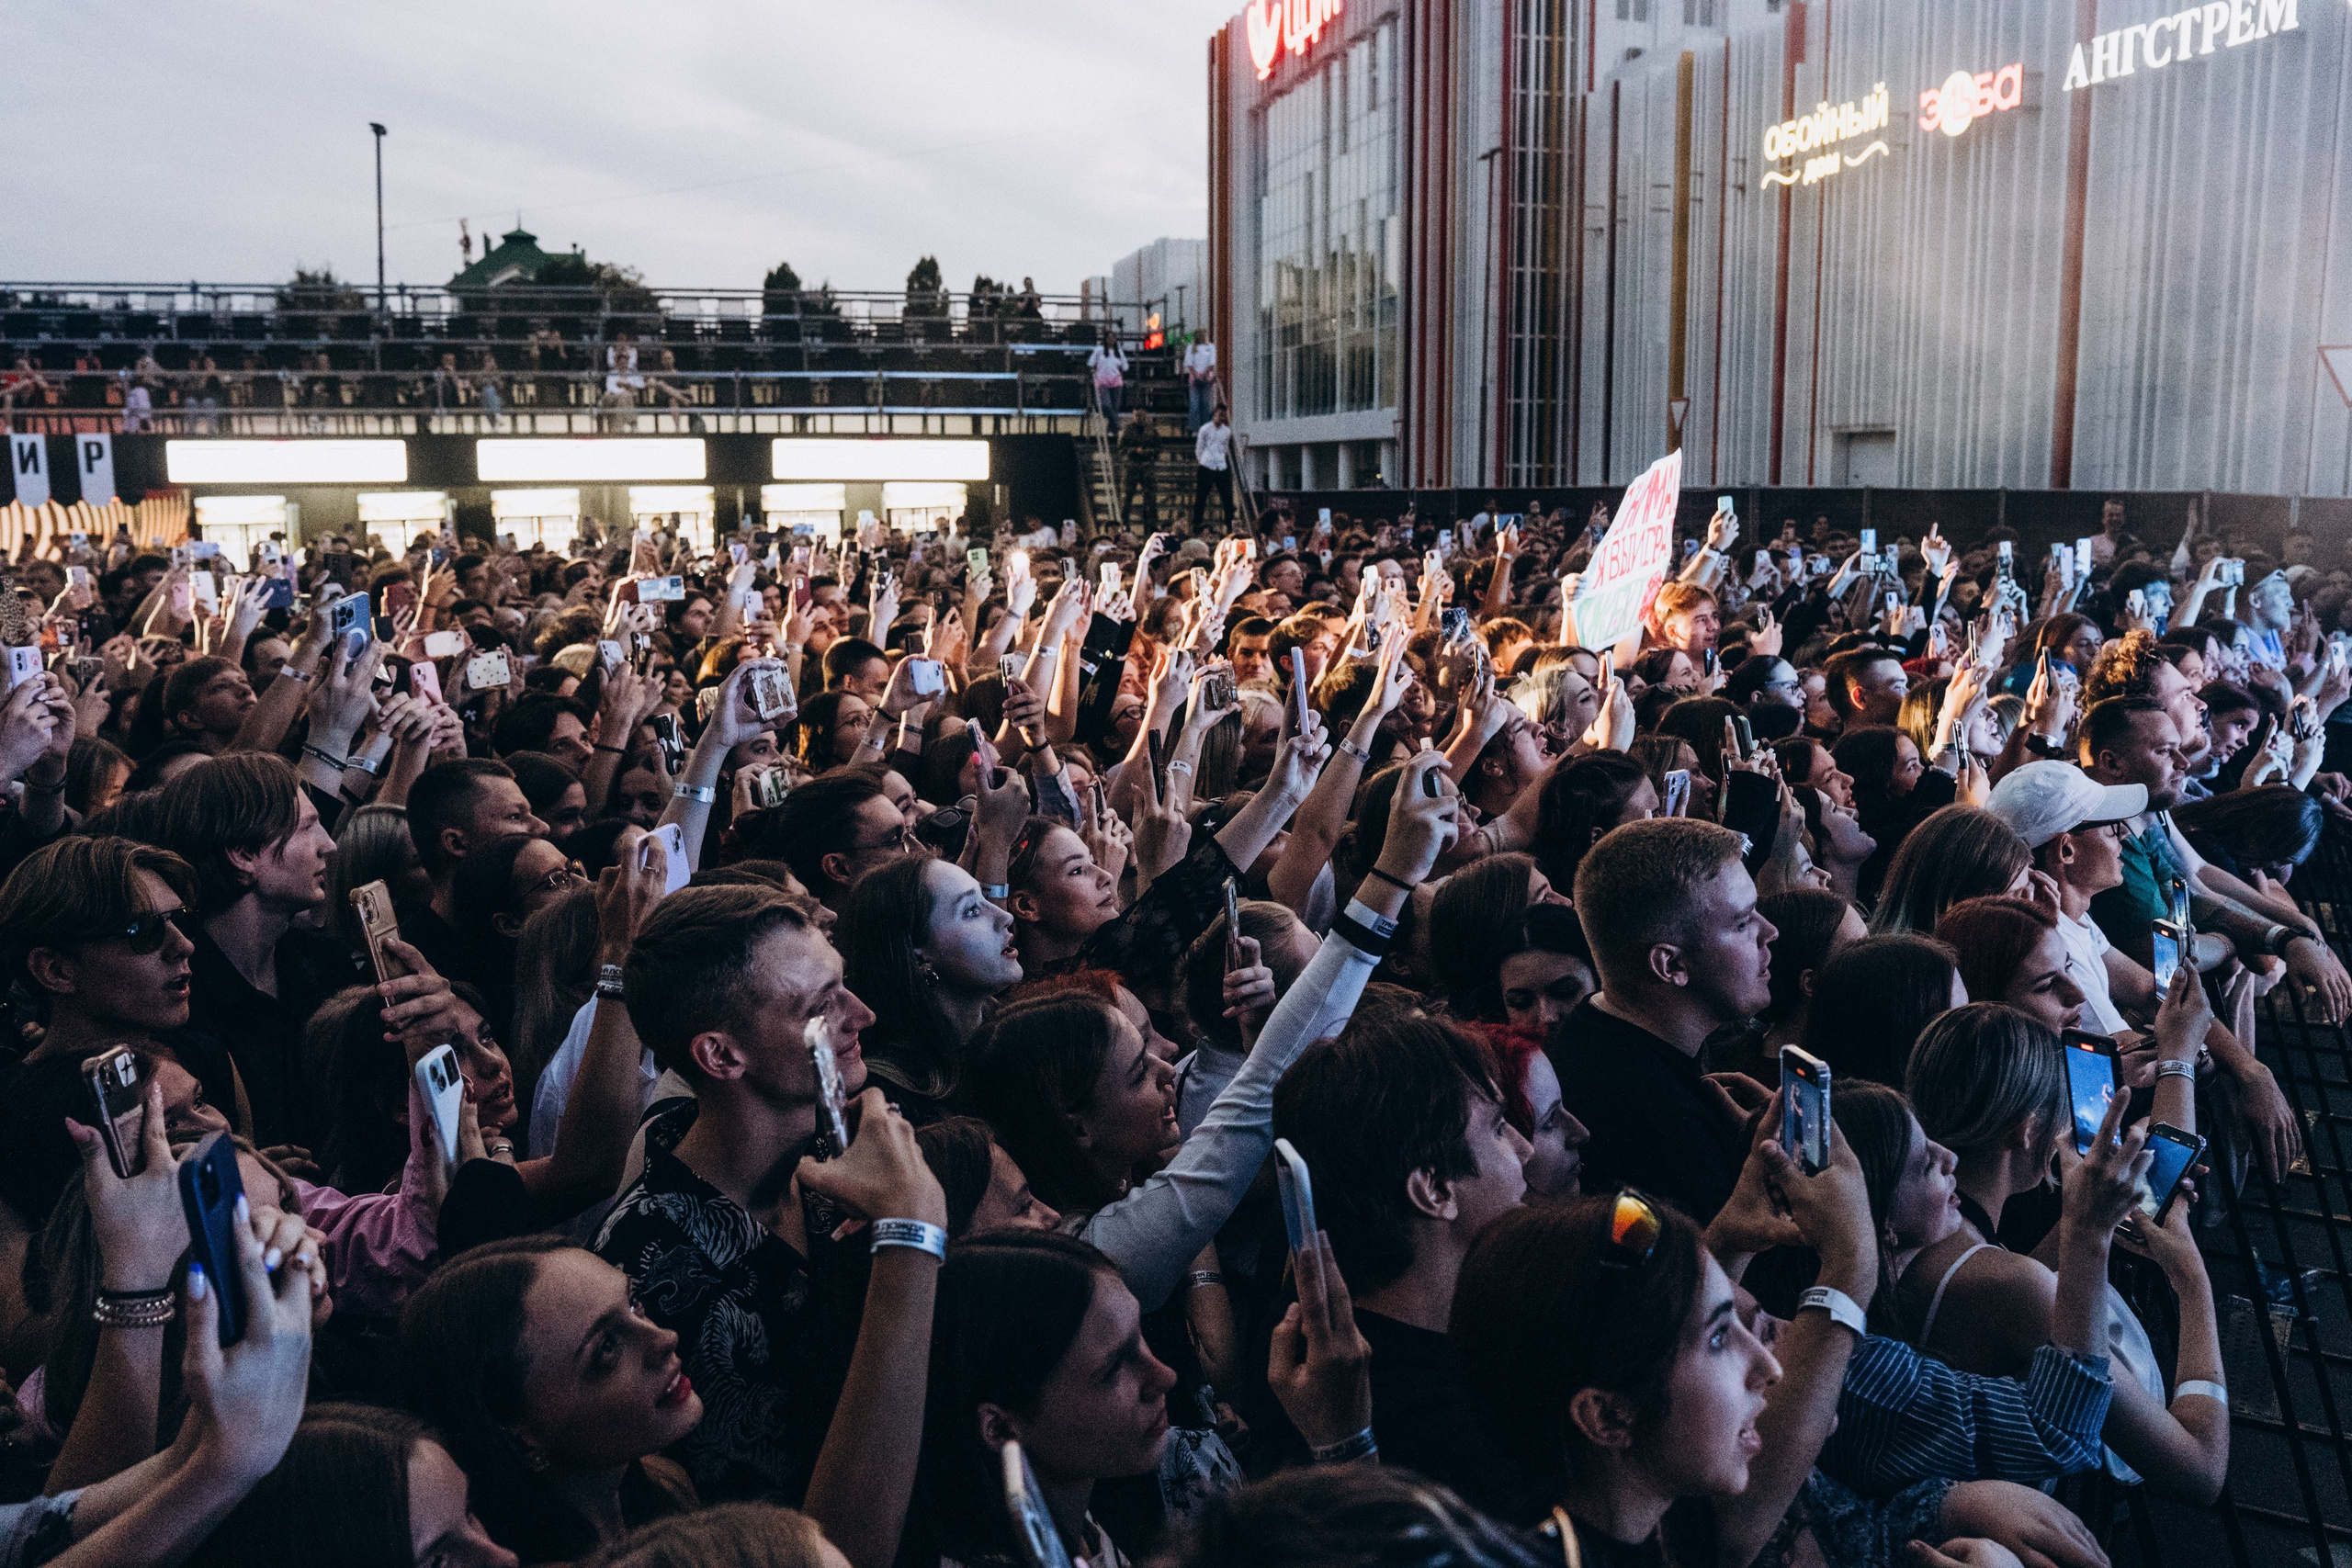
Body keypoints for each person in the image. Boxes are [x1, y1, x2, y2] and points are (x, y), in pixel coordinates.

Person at [1899, 1001, 2232, 1502]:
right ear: (2028, 1128)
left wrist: (2092, 1216)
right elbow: (2199, 1470)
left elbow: (2011, 1286)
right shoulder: (2008, 1286)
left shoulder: (1931, 1229)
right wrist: (2192, 1282)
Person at [1270, 1013, 1540, 1517]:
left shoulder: (1463, 1332)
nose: (1526, 1151)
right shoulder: (1434, 1432)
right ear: (1434, 1190)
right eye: (1500, 1129)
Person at [399, 1238, 703, 1563]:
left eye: (633, 1304)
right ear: (518, 1434)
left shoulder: (665, 1484)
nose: (665, 1338)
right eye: (606, 1348)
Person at [1554, 819, 1774, 1222]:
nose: (1770, 933)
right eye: (1742, 923)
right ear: (1670, 963)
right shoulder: (1662, 1132)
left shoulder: (1597, 1028)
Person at [1193, 405, 1234, 531]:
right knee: (1201, 496)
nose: (1222, 417)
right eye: (1220, 414)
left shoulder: (1226, 431)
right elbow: (1199, 447)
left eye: (1224, 415)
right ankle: (1197, 523)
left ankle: (1230, 524)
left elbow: (1225, 448)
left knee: (1227, 497)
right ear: (1215, 413)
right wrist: (1203, 461)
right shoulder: (1205, 429)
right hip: (1207, 464)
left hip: (1221, 465)